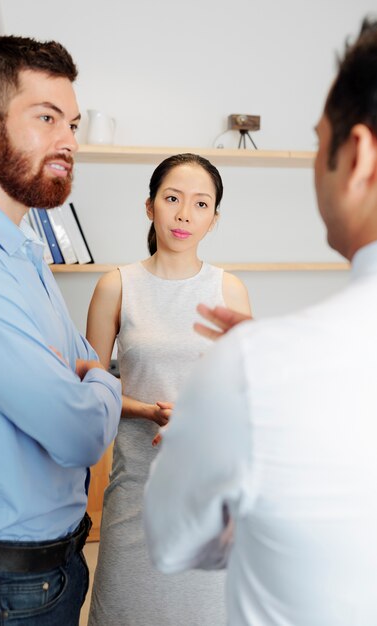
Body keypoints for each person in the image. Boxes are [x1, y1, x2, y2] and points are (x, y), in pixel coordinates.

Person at [144, 17, 377, 626]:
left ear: (357, 158)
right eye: (172, 197)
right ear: (152, 206)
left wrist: (244, 394)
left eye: (317, 141)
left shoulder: (257, 366)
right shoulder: (258, 358)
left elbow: (171, 541)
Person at [0, 36, 122, 625]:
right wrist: (100, 383)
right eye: (46, 118)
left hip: (53, 569)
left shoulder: (23, 249)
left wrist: (87, 377)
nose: (68, 143)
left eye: (73, 124)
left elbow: (81, 361)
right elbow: (77, 430)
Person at [86, 152, 251, 626]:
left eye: (201, 205)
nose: (184, 214)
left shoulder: (229, 290)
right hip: (135, 493)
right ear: (149, 205)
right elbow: (91, 393)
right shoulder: (117, 286)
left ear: (214, 219)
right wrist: (148, 410)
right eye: (173, 198)